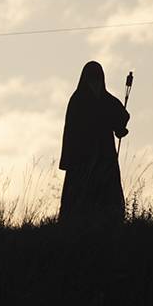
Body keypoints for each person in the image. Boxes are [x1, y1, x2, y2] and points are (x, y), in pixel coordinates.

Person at [58, 61, 130, 224]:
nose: (95, 84)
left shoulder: (105, 100)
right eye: (92, 80)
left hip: (104, 158)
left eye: (97, 80)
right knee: (81, 197)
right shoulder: (78, 101)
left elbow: (121, 116)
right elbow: (72, 133)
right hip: (82, 160)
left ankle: (110, 222)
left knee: (107, 196)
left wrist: (120, 127)